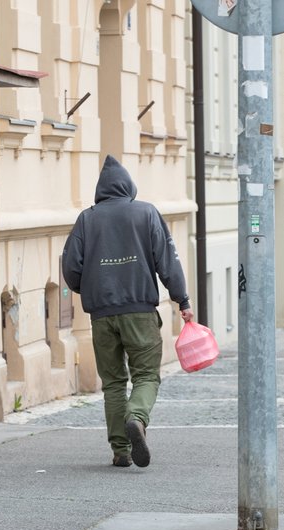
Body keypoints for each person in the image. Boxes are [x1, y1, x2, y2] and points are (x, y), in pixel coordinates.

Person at [62, 155, 193, 469]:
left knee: (113, 383)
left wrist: (90, 287)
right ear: (129, 187)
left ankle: (121, 450)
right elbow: (168, 261)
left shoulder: (86, 219)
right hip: (139, 311)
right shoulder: (146, 213)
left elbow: (70, 267)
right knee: (146, 375)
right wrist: (182, 300)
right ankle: (137, 417)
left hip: (102, 315)